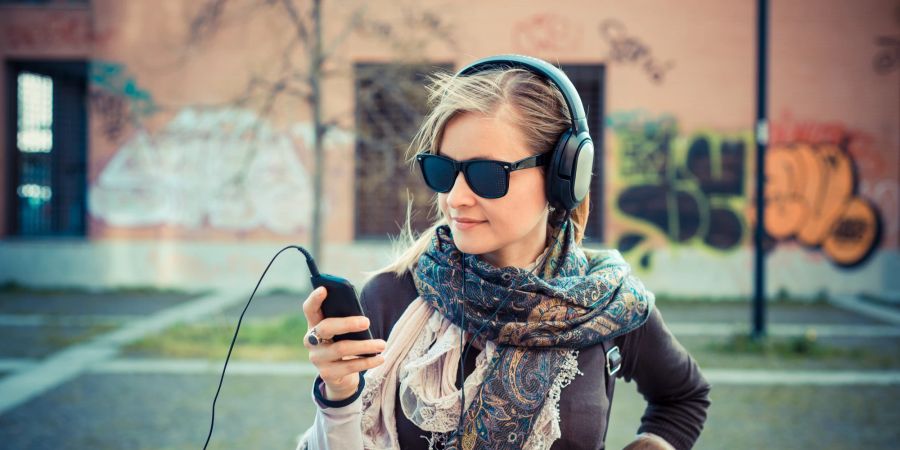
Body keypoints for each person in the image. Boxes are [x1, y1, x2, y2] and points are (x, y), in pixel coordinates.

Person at [296, 55, 711, 450]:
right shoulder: (389, 298)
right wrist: (339, 394)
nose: (455, 198)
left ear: (561, 177)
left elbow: (684, 397)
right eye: (443, 170)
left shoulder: (607, 302)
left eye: (487, 174)